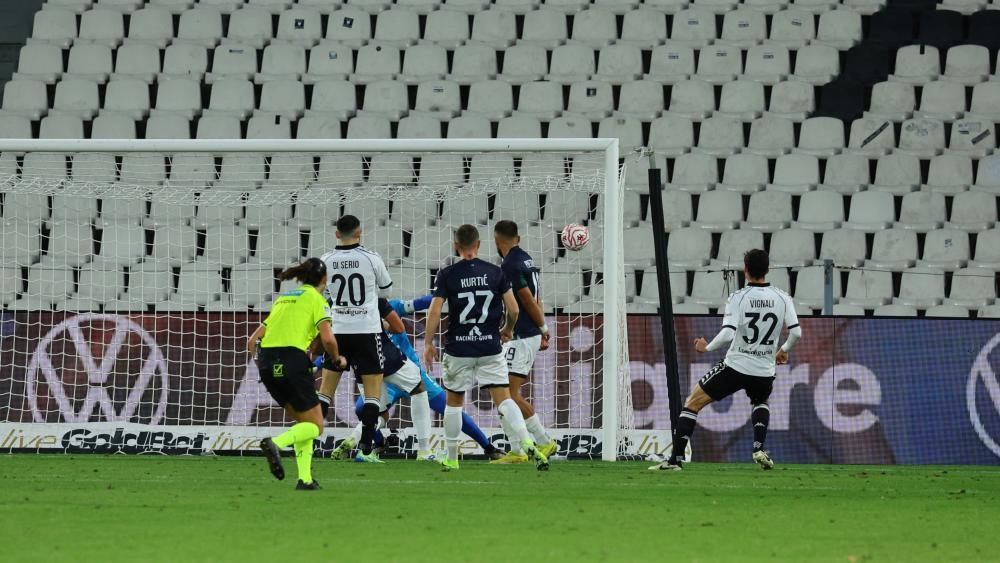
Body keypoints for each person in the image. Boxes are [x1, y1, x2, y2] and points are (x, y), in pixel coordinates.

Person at [649, 249, 801, 471]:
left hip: (736, 366)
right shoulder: (783, 297)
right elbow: (797, 333)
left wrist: (706, 347)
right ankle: (758, 448)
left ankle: (675, 460)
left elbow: (728, 334)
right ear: (768, 270)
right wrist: (784, 349)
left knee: (692, 402)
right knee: (760, 402)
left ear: (745, 270)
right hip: (764, 370)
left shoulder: (738, 297)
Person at [423, 224, 549, 471]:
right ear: (479, 245)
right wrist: (508, 330)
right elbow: (513, 309)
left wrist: (428, 343)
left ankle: (451, 457)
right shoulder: (495, 272)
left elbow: (435, 309)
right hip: (490, 346)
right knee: (504, 399)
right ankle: (528, 443)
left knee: (454, 403)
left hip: (459, 347)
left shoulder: (447, 274)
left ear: (456, 246)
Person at [329, 296, 504, 461]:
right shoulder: (380, 306)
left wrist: (442, 295)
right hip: (403, 371)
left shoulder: (361, 314)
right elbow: (415, 310)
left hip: (389, 372)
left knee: (367, 409)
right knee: (449, 408)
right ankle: (392, 446)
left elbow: (421, 303)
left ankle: (363, 442)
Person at [249, 257, 346, 490]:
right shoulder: (317, 299)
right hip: (292, 358)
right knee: (317, 426)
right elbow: (328, 338)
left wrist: (264, 365)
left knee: (305, 423)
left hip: (266, 363)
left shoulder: (283, 299)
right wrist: (336, 358)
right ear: (324, 279)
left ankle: (305, 479)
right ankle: (275, 443)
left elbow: (253, 341)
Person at [318, 215, 393, 462]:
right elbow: (386, 288)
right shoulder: (371, 258)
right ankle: (366, 448)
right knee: (373, 395)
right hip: (367, 332)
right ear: (359, 233)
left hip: (338, 332)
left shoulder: (326, 261)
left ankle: (309, 443)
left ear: (337, 234)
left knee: (325, 392)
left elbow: (323, 295)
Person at [492, 220, 558, 464]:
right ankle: (517, 450)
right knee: (500, 391)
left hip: (521, 335)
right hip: (527, 334)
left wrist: (542, 327)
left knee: (508, 393)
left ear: (497, 240)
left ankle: (543, 441)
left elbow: (527, 299)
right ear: (517, 238)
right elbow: (537, 297)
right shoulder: (527, 259)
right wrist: (541, 328)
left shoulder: (510, 264)